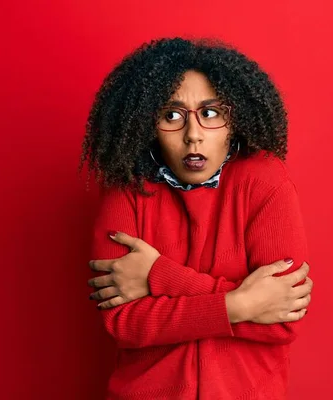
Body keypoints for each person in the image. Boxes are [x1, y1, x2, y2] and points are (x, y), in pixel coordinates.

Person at [81, 37, 313, 400]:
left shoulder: (266, 182)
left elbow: (282, 320)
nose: (193, 135)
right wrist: (241, 304)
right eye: (171, 115)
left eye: (211, 113)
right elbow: (122, 322)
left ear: (234, 119)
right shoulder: (125, 186)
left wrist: (158, 275)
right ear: (147, 123)